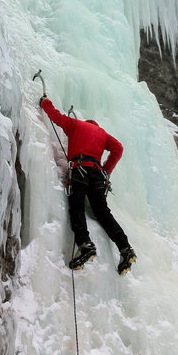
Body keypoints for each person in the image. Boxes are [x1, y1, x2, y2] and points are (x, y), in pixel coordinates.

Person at [40, 94, 136, 275]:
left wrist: (45, 102)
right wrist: (105, 171)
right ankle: (125, 248)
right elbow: (118, 149)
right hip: (97, 174)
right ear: (97, 127)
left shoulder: (76, 125)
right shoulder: (103, 134)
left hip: (79, 169)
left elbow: (56, 117)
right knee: (102, 212)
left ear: (87, 123)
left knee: (76, 206)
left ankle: (85, 244)